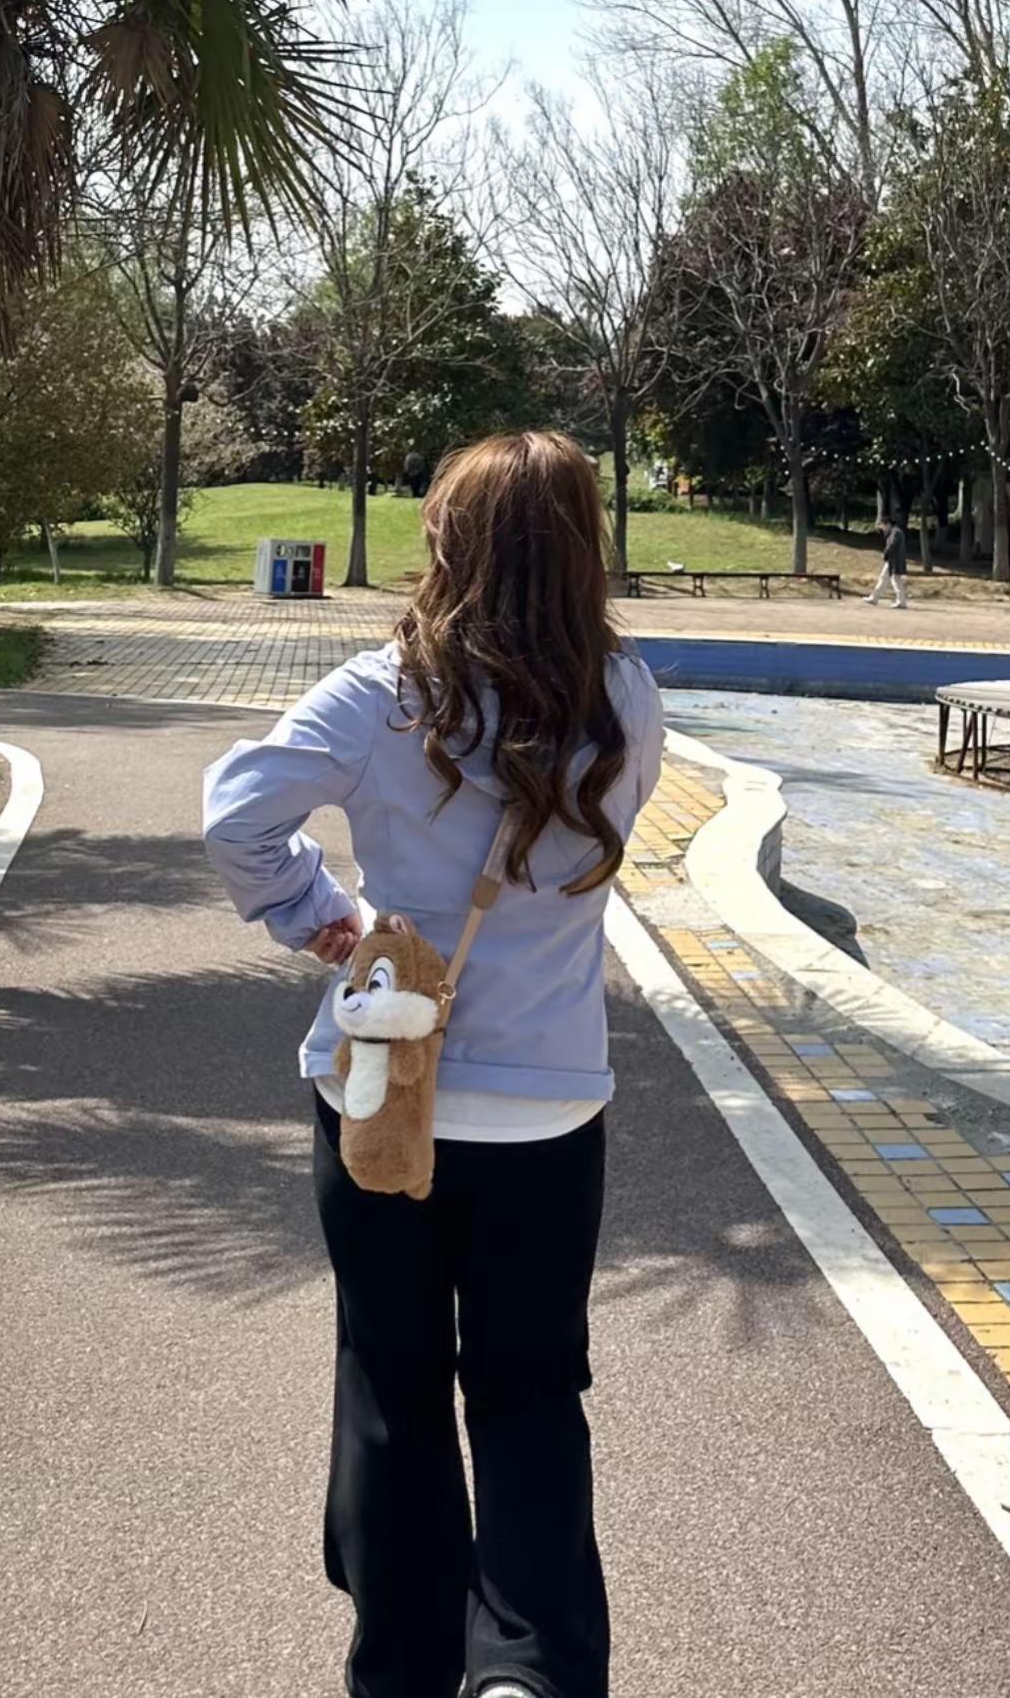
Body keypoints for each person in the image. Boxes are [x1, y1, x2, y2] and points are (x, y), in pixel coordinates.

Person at [204, 432, 664, 1698]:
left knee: (391, 1379)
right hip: (548, 1106)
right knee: (531, 1389)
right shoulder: (625, 698)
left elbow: (235, 813)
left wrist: (322, 916)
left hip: (378, 1093)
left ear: (446, 541)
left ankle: (404, 1666)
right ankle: (524, 1668)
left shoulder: (381, 694)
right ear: (583, 548)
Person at [865, 516, 909, 608]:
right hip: (892, 560)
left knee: (895, 580)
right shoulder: (894, 532)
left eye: (883, 526)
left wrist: (886, 553)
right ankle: (874, 598)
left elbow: (892, 545)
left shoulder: (896, 532)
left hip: (895, 560)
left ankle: (901, 602)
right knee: (883, 578)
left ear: (888, 524)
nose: (883, 529)